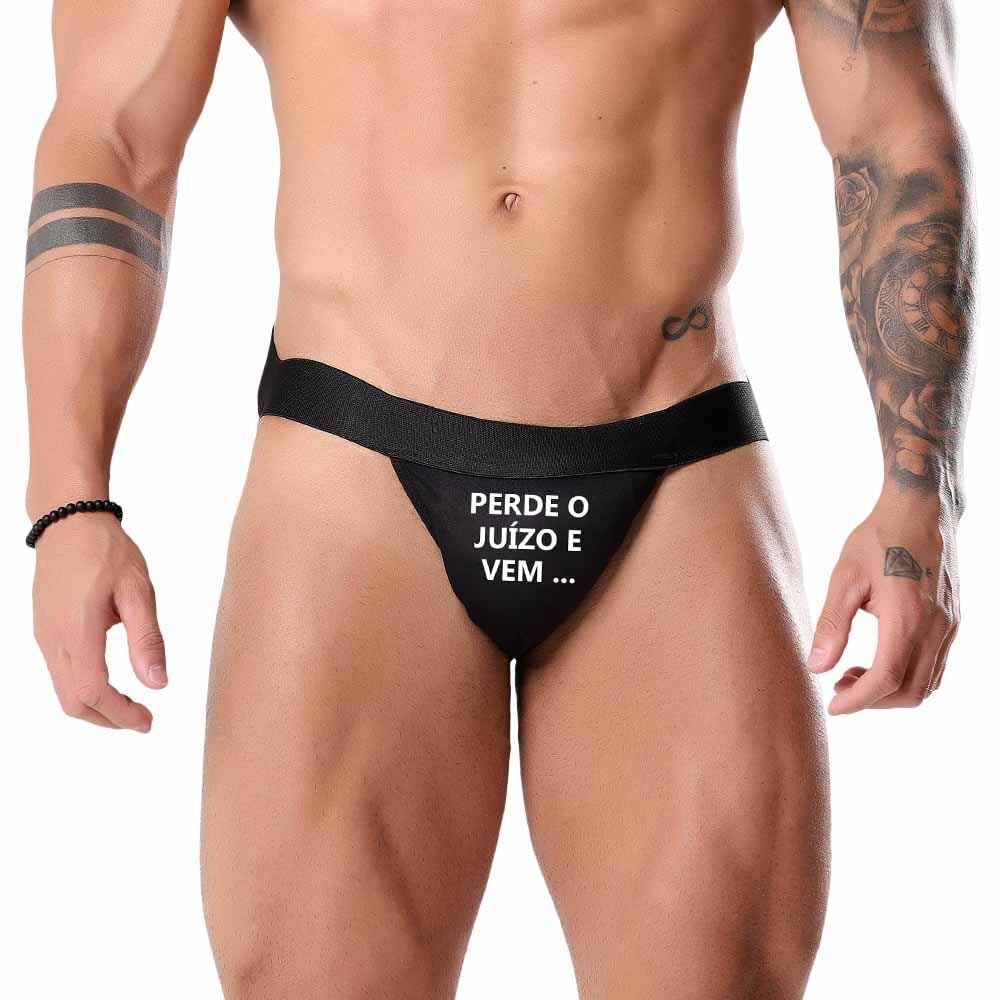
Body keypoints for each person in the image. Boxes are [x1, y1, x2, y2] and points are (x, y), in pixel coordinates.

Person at [22, 1, 973, 997]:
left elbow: (896, 130)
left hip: (675, 468)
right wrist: (71, 498)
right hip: (354, 474)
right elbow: (114, 136)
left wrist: (921, 492)